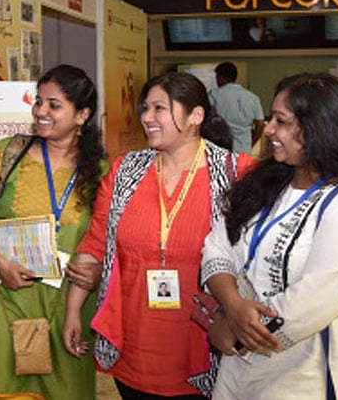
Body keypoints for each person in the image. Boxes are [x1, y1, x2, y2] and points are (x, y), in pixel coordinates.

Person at [201, 73, 338, 399]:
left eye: (281, 121)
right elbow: (218, 245)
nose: (268, 129)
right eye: (272, 118)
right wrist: (231, 305)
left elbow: (308, 305)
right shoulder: (265, 187)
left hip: (309, 380)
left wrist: (233, 332)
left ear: (320, 129)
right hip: (243, 373)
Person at [62, 71, 253, 400]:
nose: (147, 118)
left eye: (159, 109)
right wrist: (73, 311)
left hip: (203, 341)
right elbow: (95, 241)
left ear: (196, 116)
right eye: (145, 108)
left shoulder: (237, 173)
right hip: (134, 340)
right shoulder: (126, 170)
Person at [0, 64, 108, 399]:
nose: (40, 111)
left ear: (82, 115)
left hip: (67, 306)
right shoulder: (7, 153)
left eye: (54, 105)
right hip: (2, 298)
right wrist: (0, 263)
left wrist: (97, 271)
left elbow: (107, 239)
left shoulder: (100, 173)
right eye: (38, 102)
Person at [209, 61, 264, 155]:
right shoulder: (252, 97)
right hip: (244, 150)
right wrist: (251, 143)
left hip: (220, 149)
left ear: (220, 77)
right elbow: (260, 125)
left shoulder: (213, 95)